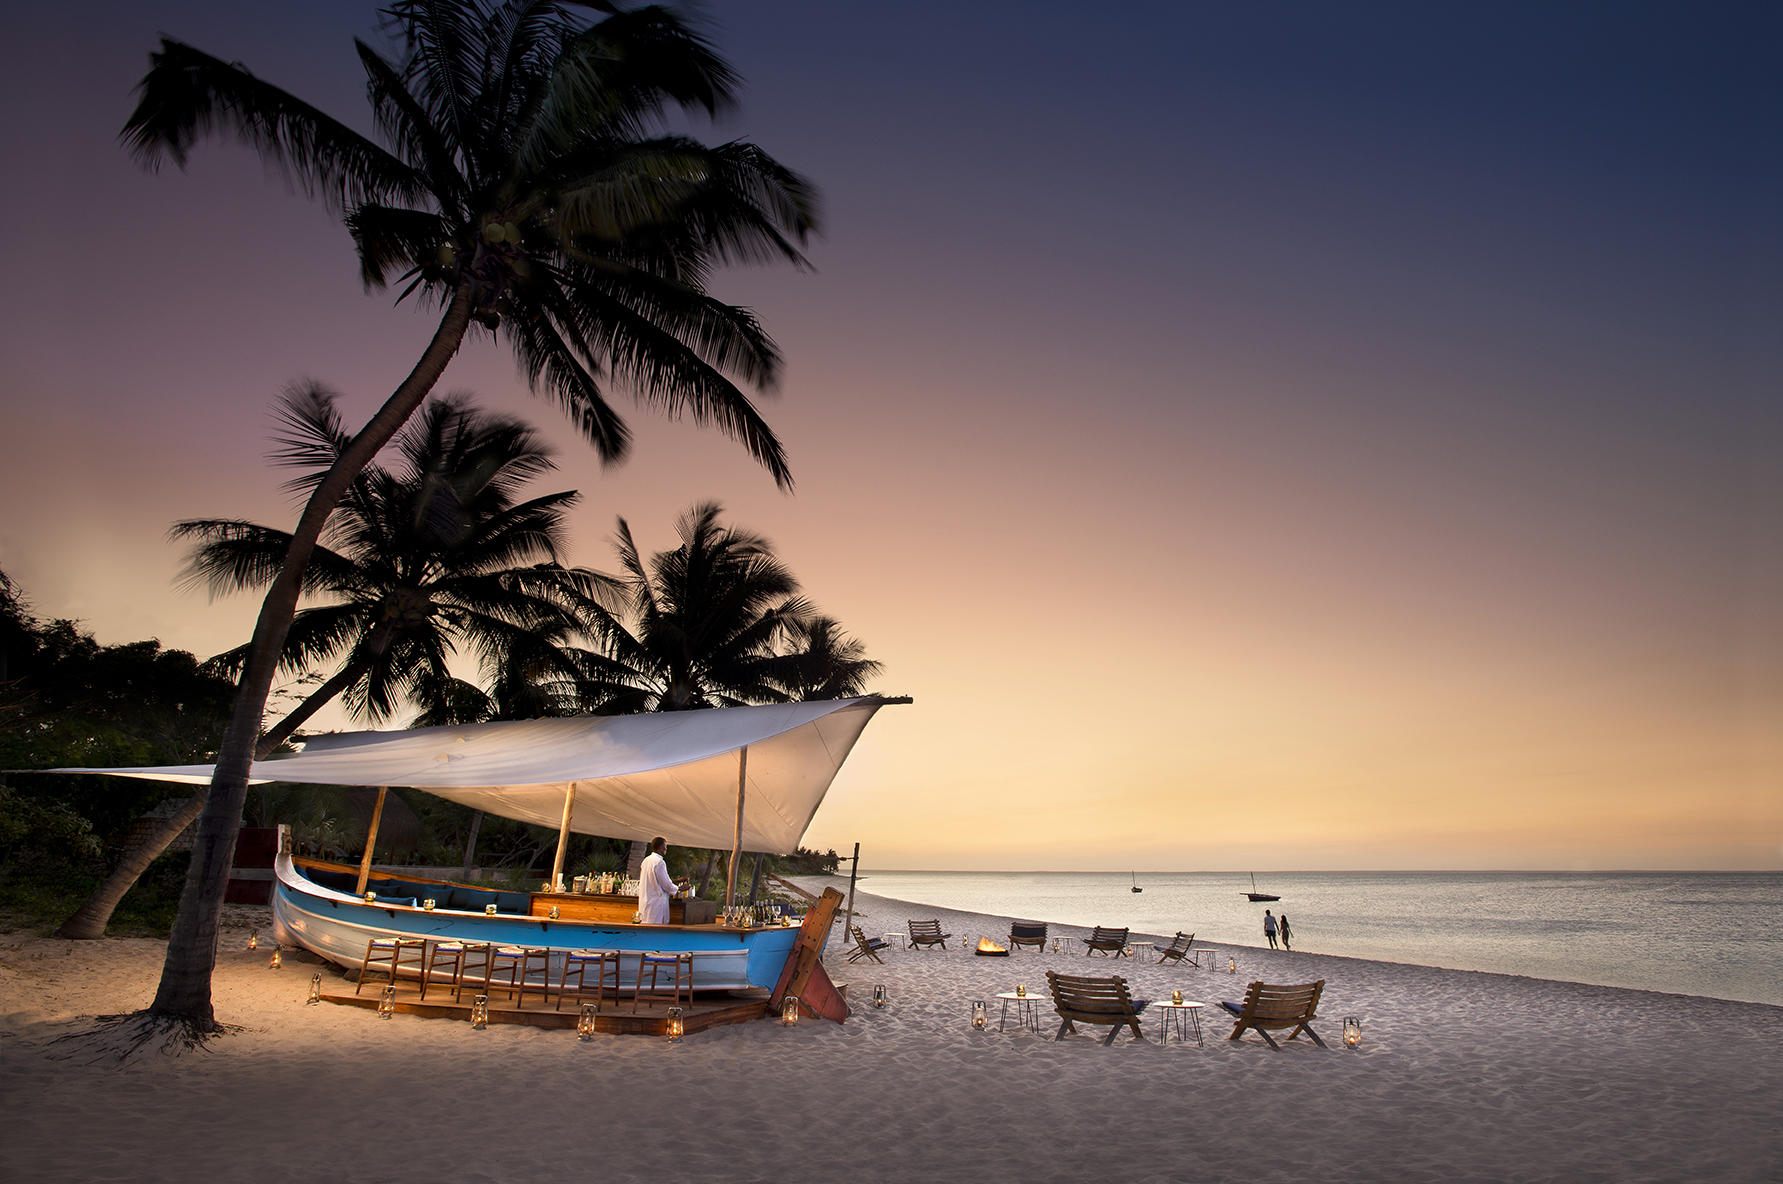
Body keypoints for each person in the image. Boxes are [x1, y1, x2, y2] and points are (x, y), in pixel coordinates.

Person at [637, 836, 683, 925]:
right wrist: (679, 889)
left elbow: (655, 880)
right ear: (660, 847)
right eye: (665, 846)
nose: (666, 848)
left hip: (646, 902)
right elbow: (666, 885)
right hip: (656, 904)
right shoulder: (659, 862)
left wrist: (677, 880)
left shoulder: (646, 860)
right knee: (656, 932)